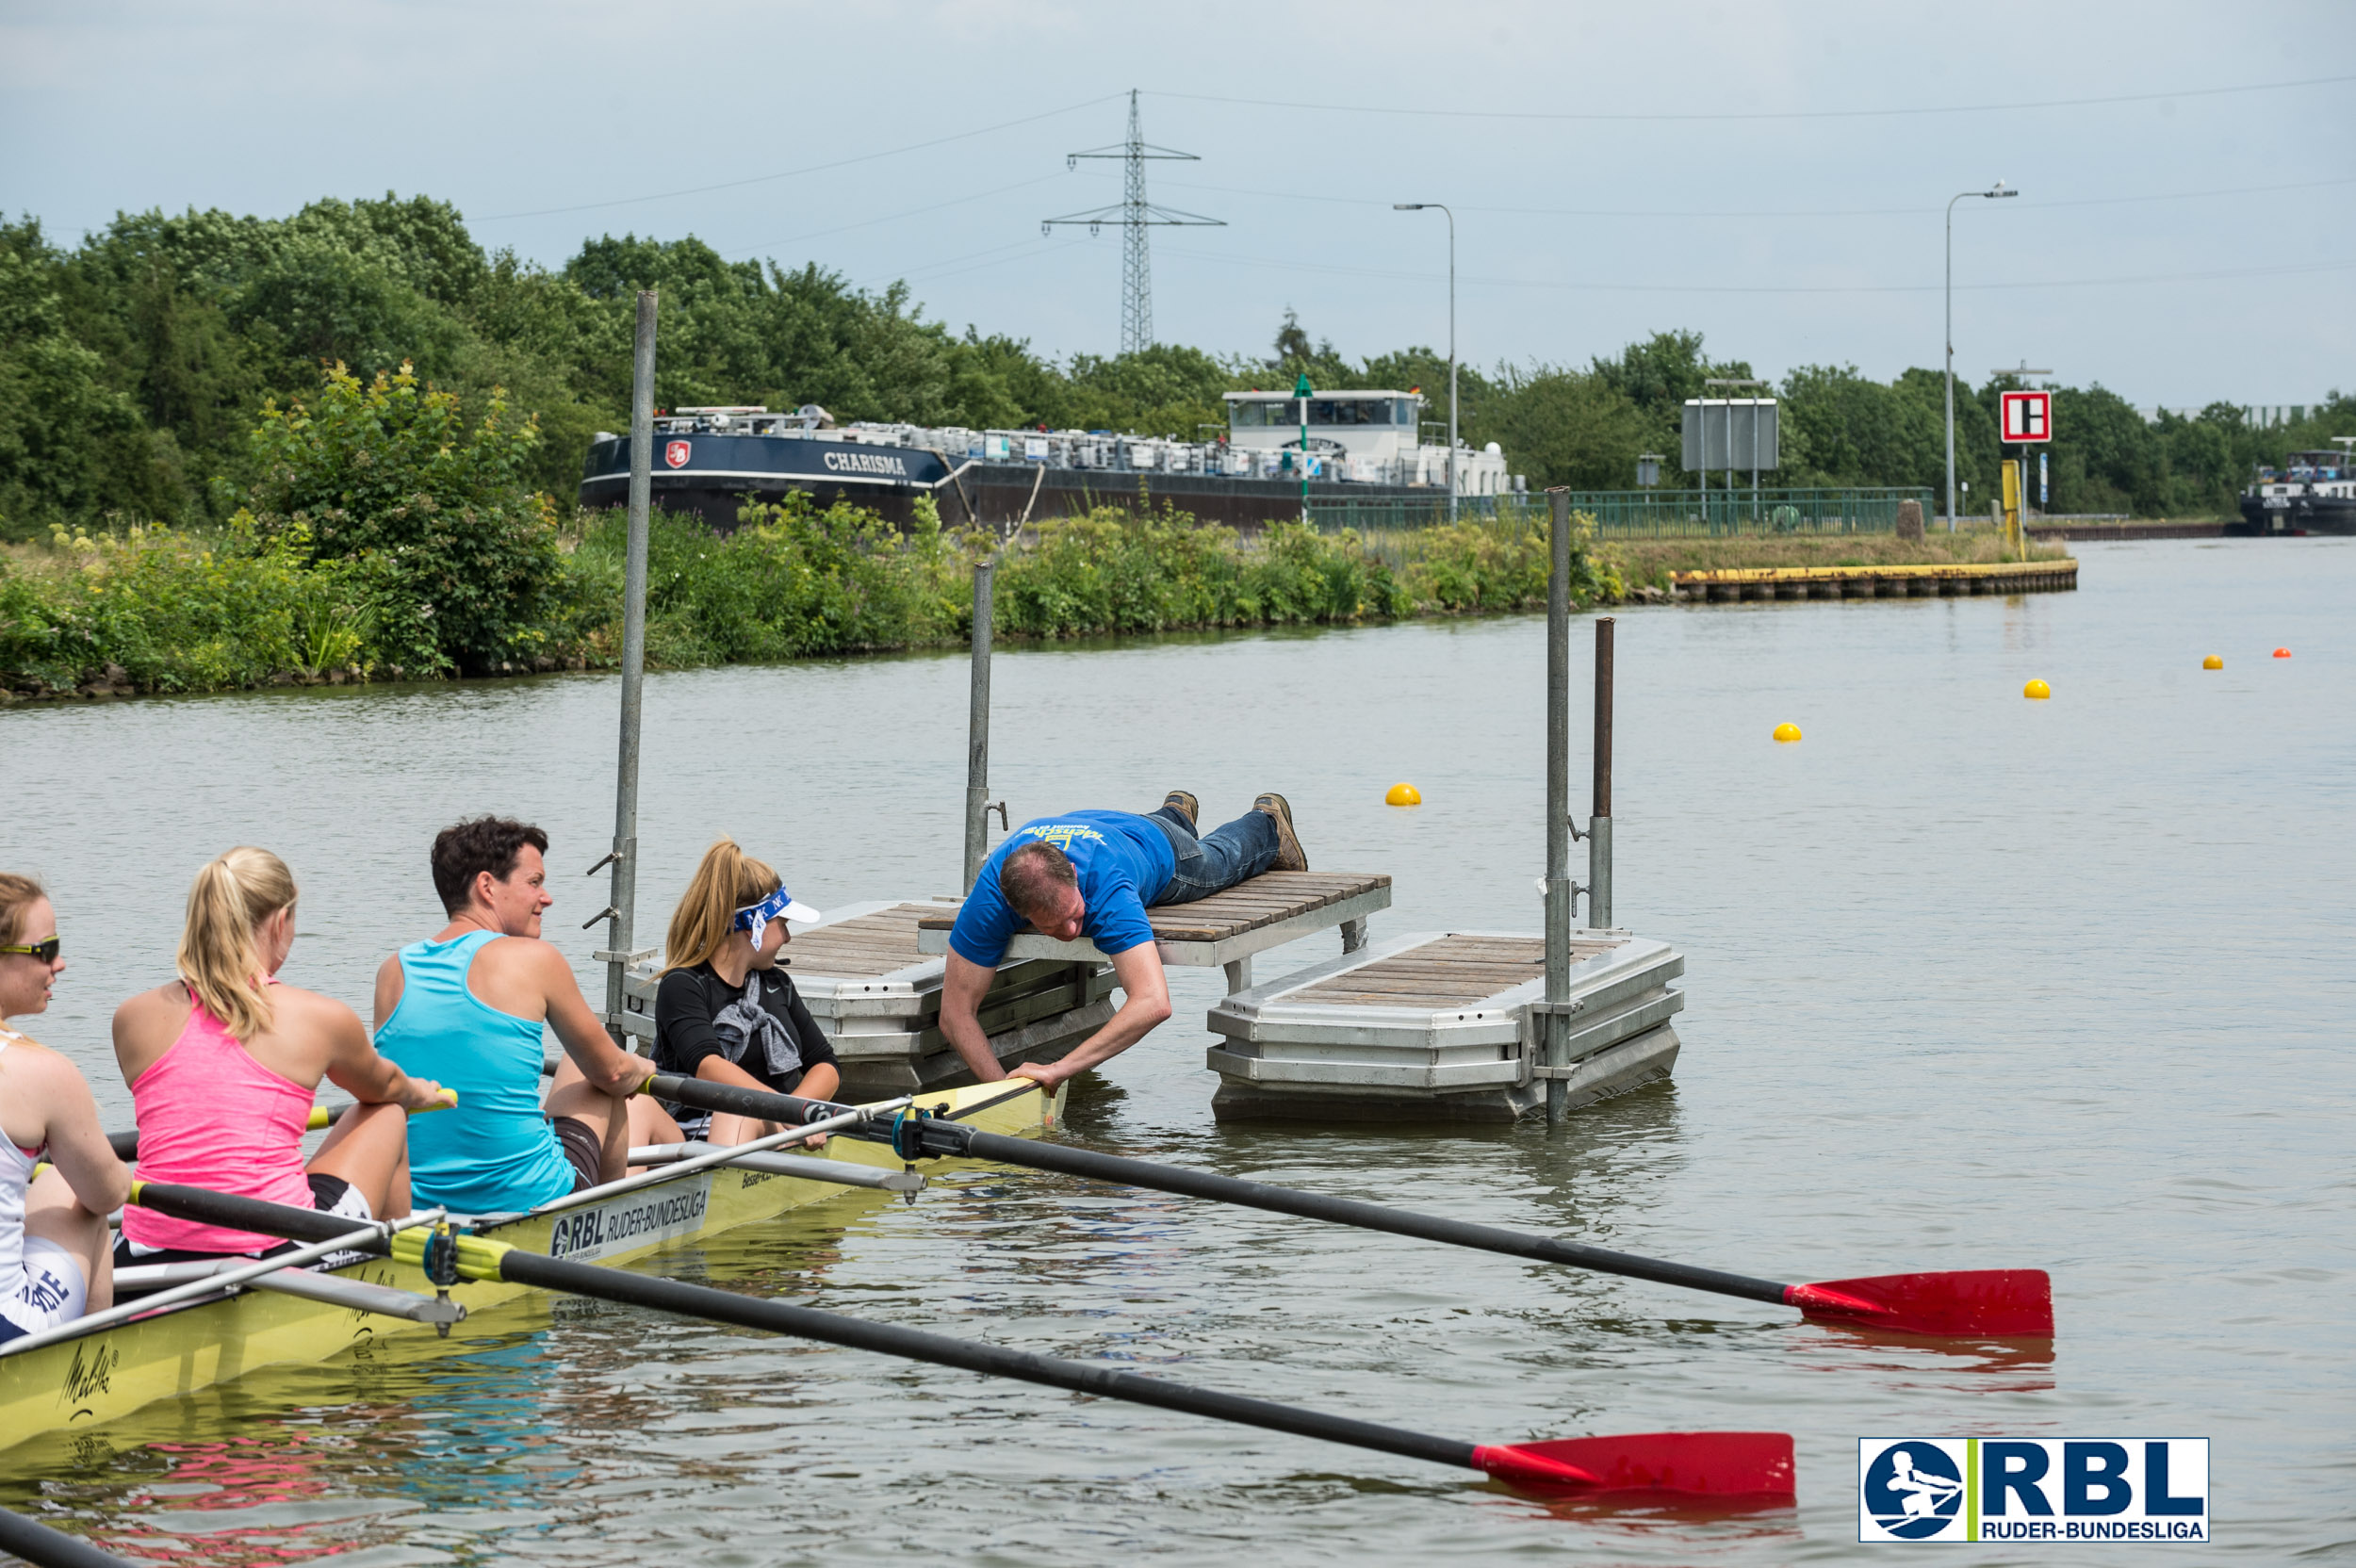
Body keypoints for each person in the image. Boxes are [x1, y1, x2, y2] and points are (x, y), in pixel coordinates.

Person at [112, 849, 451, 1266]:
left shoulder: (133, 1017)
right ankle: (395, 1273)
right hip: (274, 1252)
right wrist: (422, 1092)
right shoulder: (320, 1018)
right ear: (279, 921)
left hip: (143, 1251)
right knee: (388, 1115)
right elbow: (386, 1087)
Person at [374, 817, 668, 1214]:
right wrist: (642, 1068)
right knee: (605, 1075)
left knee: (579, 1062)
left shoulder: (393, 971)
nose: (546, 898)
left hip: (419, 1204)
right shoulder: (536, 959)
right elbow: (613, 1073)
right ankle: (610, 1222)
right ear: (487, 887)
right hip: (527, 1197)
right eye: (534, 882)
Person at [942, 791, 1307, 1090]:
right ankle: (1177, 812)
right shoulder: (993, 893)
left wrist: (1059, 1070)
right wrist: (1001, 1090)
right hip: (1108, 824)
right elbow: (954, 1014)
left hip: (1163, 850)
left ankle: (1267, 823)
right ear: (1013, 907)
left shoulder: (1106, 885)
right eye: (1053, 925)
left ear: (1072, 874)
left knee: (1222, 859)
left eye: (1074, 915)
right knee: (1160, 826)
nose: (1072, 933)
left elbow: (1154, 1003)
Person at [0, 874, 132, 1345]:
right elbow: (108, 1194)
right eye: (45, 949)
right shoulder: (43, 1072)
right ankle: (93, 1370)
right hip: (9, 1326)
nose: (60, 963)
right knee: (73, 1190)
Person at [651, 839, 841, 1145]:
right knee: (736, 1107)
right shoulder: (684, 985)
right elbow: (708, 1066)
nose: (789, 937)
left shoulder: (777, 984)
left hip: (778, 1128)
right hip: (701, 1134)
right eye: (783, 923)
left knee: (743, 1107)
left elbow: (826, 1064)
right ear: (754, 926)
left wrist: (797, 1111)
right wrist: (784, 1109)